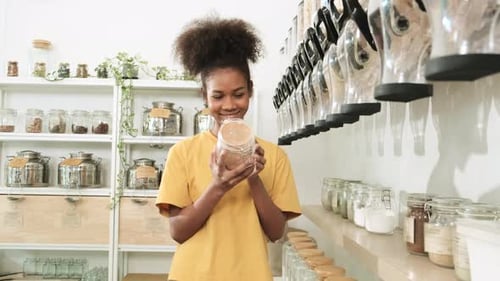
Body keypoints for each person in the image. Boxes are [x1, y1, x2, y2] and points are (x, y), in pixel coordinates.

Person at [155, 15, 302, 281]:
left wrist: (254, 178)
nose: (229, 105)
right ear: (204, 96)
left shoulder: (275, 157)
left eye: (238, 93)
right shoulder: (183, 153)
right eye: (218, 96)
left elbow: (276, 232)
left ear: (250, 91)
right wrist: (219, 185)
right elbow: (178, 231)